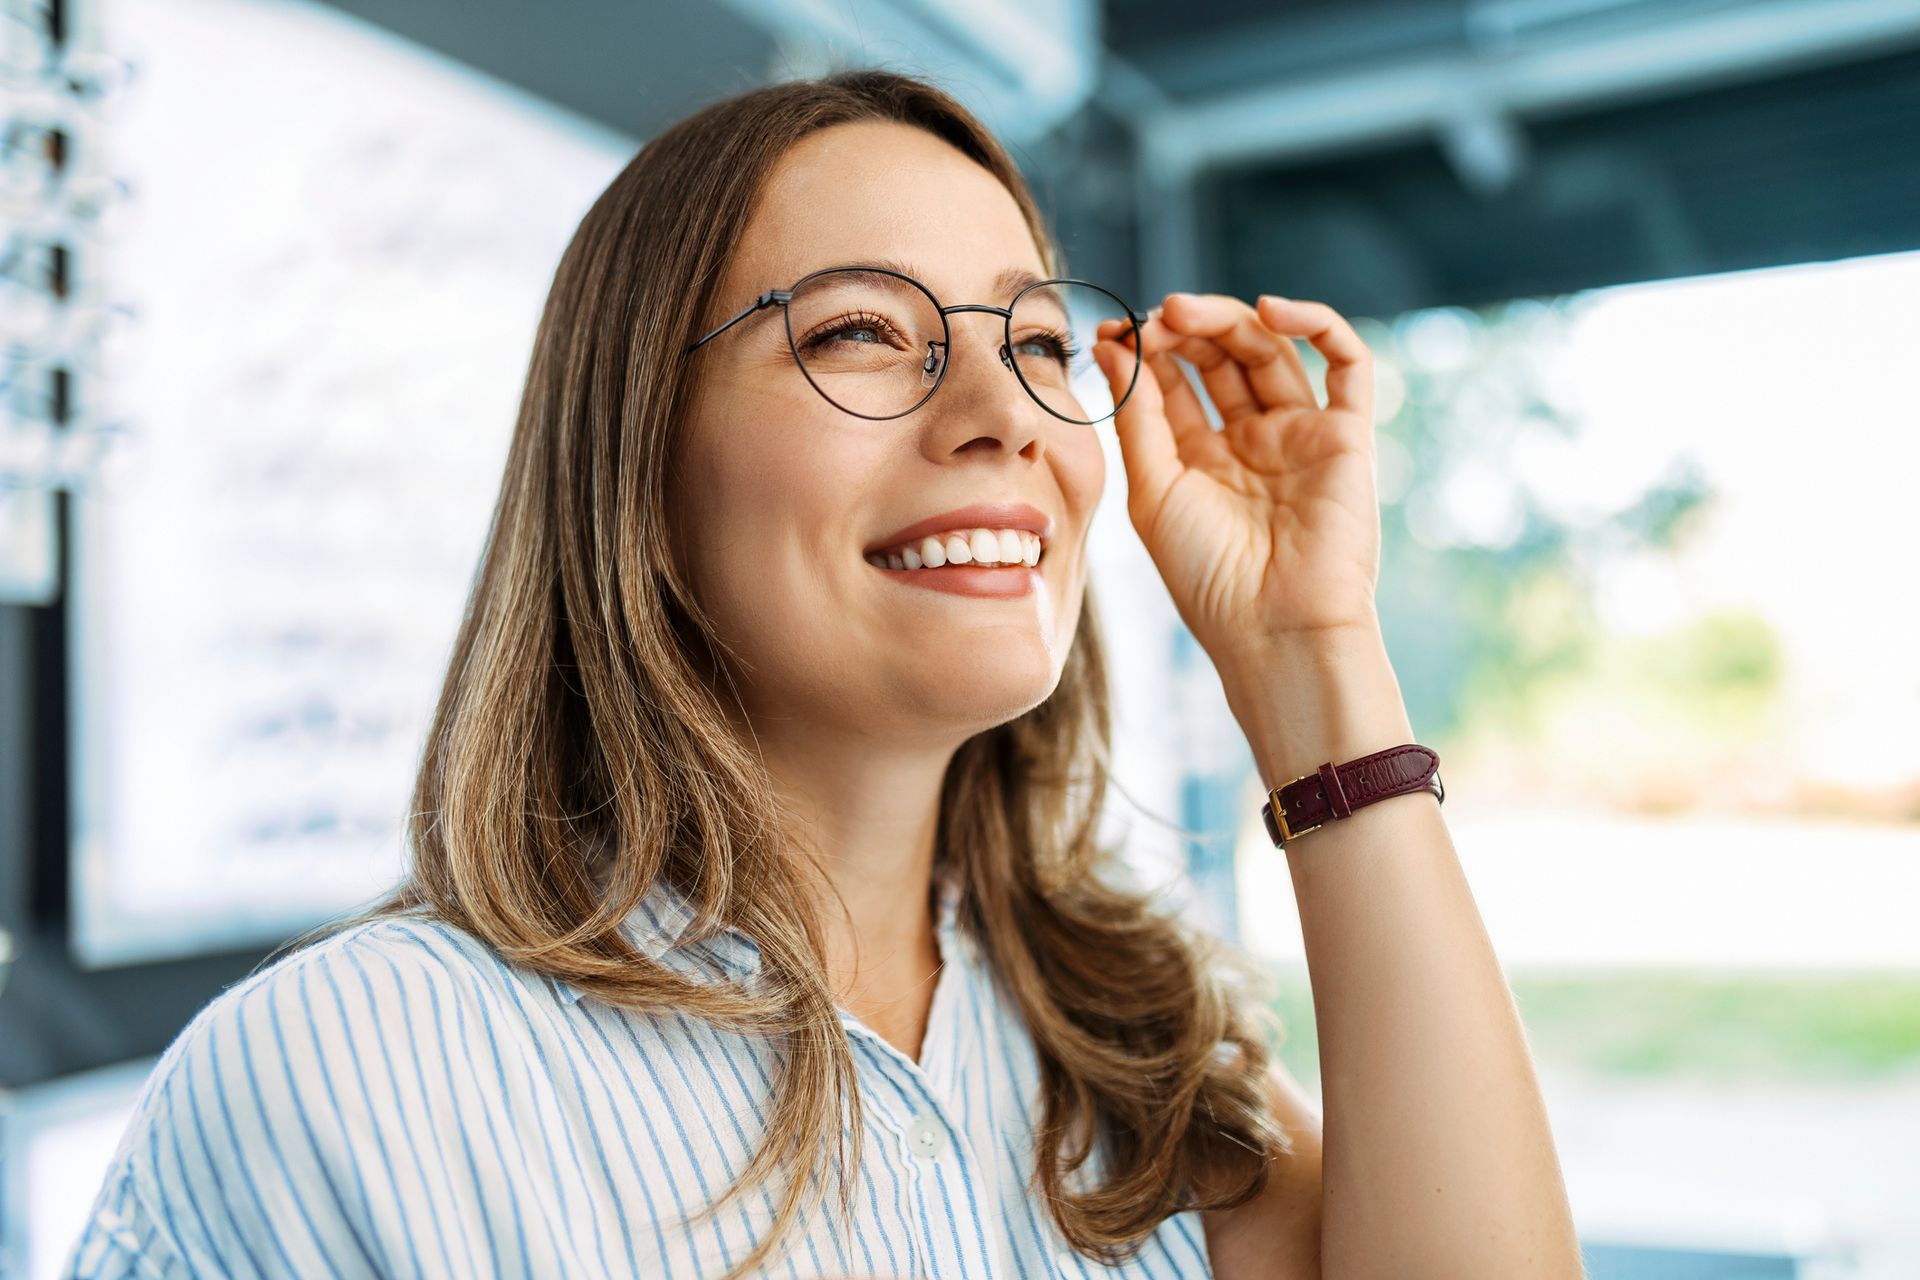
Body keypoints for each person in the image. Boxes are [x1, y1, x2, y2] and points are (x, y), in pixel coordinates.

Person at [66, 68, 1581, 1279]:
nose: (1001, 408)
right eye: (862, 332)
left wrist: (1310, 656)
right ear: (638, 467)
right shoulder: (340, 1074)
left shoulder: (1135, 1046)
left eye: (1038, 338)